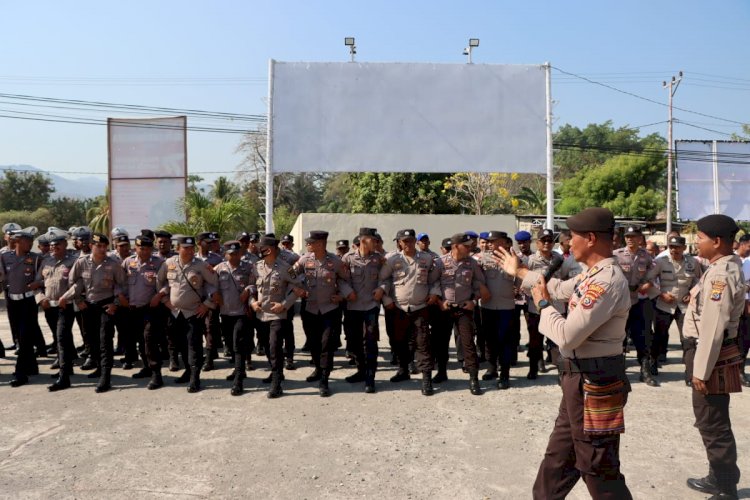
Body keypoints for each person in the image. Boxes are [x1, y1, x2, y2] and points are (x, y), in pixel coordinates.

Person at [495, 207, 633, 499]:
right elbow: (557, 287)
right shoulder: (590, 275)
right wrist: (519, 271)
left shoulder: (606, 280)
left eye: (573, 236)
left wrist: (543, 306)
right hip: (577, 380)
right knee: (558, 459)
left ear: (591, 238)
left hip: (596, 380)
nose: (568, 242)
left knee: (597, 466)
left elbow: (567, 335)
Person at [684, 215, 744, 500]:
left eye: (700, 237)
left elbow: (713, 328)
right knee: (712, 417)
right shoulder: (722, 267)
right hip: (713, 352)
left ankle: (725, 488)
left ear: (717, 241)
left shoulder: (720, 274)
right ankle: (718, 476)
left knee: (712, 421)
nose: (697, 242)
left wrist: (701, 371)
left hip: (712, 355)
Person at [60, 233, 128, 393]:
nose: (103, 249)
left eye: (105, 246)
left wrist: (115, 304)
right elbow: (74, 282)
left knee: (105, 340)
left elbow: (123, 285)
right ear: (91, 246)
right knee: (91, 340)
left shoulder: (113, 263)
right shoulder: (82, 263)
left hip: (106, 306)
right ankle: (98, 367)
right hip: (88, 306)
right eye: (99, 246)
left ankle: (106, 377)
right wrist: (77, 300)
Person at [376, 229, 441, 396]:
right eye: (404, 241)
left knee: (423, 343)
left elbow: (435, 280)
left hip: (420, 308)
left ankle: (426, 378)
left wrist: (434, 293)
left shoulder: (426, 259)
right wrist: (386, 300)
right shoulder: (392, 260)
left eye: (410, 240)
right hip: (398, 308)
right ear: (399, 243)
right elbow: (383, 279)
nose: (407, 244)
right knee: (399, 341)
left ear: (415, 241)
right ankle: (403, 370)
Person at [155, 235, 219, 393]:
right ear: (178, 249)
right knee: (179, 344)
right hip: (175, 312)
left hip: (193, 313)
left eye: (191, 248)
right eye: (186, 248)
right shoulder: (169, 263)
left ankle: (195, 378)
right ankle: (188, 371)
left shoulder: (201, 265)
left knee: (194, 345)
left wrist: (207, 305)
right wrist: (164, 301)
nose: (189, 251)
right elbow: (160, 282)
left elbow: (214, 285)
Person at [294, 230, 353, 397]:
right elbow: (290, 275)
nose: (308, 244)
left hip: (329, 309)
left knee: (326, 344)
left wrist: (341, 295)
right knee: (313, 343)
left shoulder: (335, 261)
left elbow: (345, 279)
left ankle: (324, 379)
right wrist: (296, 287)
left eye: (310, 242)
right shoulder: (304, 259)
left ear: (320, 244)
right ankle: (318, 369)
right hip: (310, 309)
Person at [251, 235, 305, 398]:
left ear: (273, 249)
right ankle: (276, 372)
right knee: (266, 346)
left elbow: (298, 287)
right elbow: (250, 286)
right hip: (261, 314)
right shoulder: (256, 267)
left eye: (264, 247)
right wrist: (252, 302)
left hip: (277, 314)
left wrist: (285, 304)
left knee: (275, 346)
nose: (261, 250)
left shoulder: (285, 268)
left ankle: (276, 383)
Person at [435, 232, 488, 395]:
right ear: (455, 246)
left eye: (470, 245)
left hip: (464, 309)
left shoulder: (472, 263)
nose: (469, 248)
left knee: (468, 343)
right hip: (445, 308)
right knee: (441, 342)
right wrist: (439, 301)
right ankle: (442, 372)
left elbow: (480, 283)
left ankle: (473, 378)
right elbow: (433, 283)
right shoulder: (440, 263)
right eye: (466, 245)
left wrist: (474, 300)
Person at [646, 235, 702, 386]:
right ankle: (653, 363)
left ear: (684, 248)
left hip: (684, 307)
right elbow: (648, 280)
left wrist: (692, 294)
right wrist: (660, 294)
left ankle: (690, 374)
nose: (674, 250)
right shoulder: (660, 262)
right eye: (671, 247)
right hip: (664, 305)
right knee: (659, 336)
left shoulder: (692, 262)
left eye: (677, 247)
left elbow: (700, 281)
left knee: (688, 339)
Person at [121, 235, 166, 389]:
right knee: (140, 339)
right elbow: (119, 282)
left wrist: (159, 295)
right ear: (136, 248)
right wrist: (120, 297)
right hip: (133, 308)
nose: (144, 251)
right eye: (141, 248)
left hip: (151, 309)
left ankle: (156, 375)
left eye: (147, 248)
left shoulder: (159, 263)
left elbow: (169, 283)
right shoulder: (128, 262)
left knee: (149, 339)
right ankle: (146, 368)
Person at [341, 228, 383, 393]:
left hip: (371, 307)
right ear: (364, 240)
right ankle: (361, 371)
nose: (377, 243)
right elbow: (341, 279)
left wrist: (381, 288)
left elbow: (385, 278)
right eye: (374, 240)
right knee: (354, 341)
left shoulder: (379, 259)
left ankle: (370, 377)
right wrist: (347, 291)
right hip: (353, 307)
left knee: (371, 342)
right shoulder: (348, 258)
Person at [613, 225, 655, 386]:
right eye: (628, 237)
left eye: (633, 236)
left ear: (640, 239)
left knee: (642, 337)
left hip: (640, 301)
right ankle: (619, 372)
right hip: (622, 302)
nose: (630, 239)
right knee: (619, 336)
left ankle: (645, 371)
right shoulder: (616, 255)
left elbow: (654, 272)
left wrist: (649, 283)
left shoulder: (646, 256)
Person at [35, 233, 78, 391]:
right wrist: (40, 298)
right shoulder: (46, 261)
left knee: (61, 338)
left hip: (65, 306)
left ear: (65, 245)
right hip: (48, 307)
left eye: (57, 245)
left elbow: (78, 283)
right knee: (58, 337)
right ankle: (66, 367)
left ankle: (64, 377)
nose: (53, 248)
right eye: (51, 246)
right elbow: (38, 283)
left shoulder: (73, 262)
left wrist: (65, 297)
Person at [3, 229, 45, 386]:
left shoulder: (35, 259)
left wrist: (38, 283)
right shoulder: (5, 257)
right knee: (20, 335)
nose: (31, 244)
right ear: (18, 241)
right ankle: (32, 367)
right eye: (28, 241)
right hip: (12, 302)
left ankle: (20, 372)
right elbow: (2, 278)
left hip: (28, 302)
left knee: (24, 336)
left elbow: (44, 277)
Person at [475, 231, 515, 389]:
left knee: (505, 340)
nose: (490, 243)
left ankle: (505, 373)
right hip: (487, 306)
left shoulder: (514, 258)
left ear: (505, 243)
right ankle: (492, 368)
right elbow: (475, 278)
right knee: (489, 339)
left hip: (506, 306)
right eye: (488, 241)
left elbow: (521, 278)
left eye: (494, 241)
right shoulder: (481, 258)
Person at [525, 228, 565, 379]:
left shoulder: (560, 259)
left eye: (550, 241)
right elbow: (524, 283)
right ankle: (533, 368)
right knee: (535, 341)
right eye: (544, 240)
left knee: (557, 341)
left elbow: (567, 278)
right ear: (537, 243)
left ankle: (561, 371)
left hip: (557, 306)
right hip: (536, 307)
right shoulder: (529, 261)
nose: (547, 243)